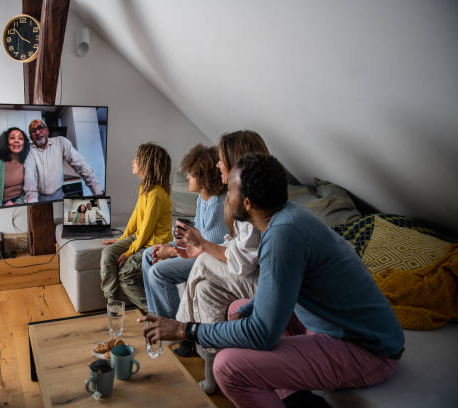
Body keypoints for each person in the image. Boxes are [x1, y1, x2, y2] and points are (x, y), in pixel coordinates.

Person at [140, 153, 405, 408]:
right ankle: (295, 398)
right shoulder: (286, 218)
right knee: (237, 309)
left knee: (228, 367)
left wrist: (185, 329)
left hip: (367, 349)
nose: (226, 195)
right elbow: (283, 288)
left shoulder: (283, 236)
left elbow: (262, 334)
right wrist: (248, 309)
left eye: (230, 190)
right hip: (336, 328)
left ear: (247, 203)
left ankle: (290, 394)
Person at [171, 131, 269, 363]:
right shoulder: (241, 198)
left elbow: (242, 263)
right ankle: (213, 359)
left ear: (237, 164)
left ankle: (181, 330)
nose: (217, 165)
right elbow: (236, 244)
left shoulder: (252, 203)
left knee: (204, 262)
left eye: (222, 159)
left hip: (260, 280)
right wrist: (200, 246)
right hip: (250, 272)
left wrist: (203, 247)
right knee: (205, 289)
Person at [141, 144, 228, 333]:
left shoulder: (218, 205)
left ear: (204, 177)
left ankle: (174, 328)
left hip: (210, 256)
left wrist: (172, 251)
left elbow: (207, 247)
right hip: (198, 247)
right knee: (149, 254)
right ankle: (156, 317)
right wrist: (176, 241)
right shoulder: (202, 197)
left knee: (158, 273)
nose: (187, 177)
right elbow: (198, 230)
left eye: (191, 174)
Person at [100, 143, 173, 311]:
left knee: (125, 273)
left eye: (137, 158)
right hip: (141, 238)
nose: (133, 161)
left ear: (147, 164)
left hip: (152, 242)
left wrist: (129, 252)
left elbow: (147, 229)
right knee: (108, 253)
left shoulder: (156, 194)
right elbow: (135, 217)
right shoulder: (145, 189)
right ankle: (112, 303)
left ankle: (155, 313)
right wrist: (122, 239)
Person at [23, 119, 103, 202]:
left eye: (40, 128)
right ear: (30, 137)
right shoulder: (29, 150)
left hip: (59, 195)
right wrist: (32, 202)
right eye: (33, 131)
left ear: (47, 131)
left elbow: (81, 166)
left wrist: (98, 192)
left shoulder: (61, 142)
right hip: (39, 198)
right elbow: (29, 178)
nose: (37, 132)